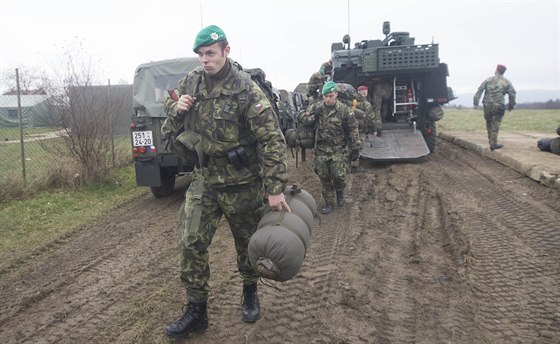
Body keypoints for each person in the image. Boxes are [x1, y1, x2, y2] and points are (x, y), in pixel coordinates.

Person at [161, 25, 290, 338]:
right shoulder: (191, 81)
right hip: (204, 179)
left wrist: (274, 188)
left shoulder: (246, 89)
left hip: (241, 181)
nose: (205, 60)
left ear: (226, 51)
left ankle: (250, 290)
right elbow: (169, 107)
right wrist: (176, 107)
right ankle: (196, 310)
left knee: (247, 244)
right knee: (191, 242)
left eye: (211, 53)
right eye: (201, 55)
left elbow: (271, 139)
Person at [300, 81, 360, 214]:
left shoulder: (344, 110)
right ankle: (328, 202)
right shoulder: (317, 107)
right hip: (321, 149)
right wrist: (314, 116)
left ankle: (339, 192)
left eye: (331, 96)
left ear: (336, 95)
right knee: (324, 176)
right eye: (325, 96)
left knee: (338, 175)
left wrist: (355, 147)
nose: (328, 99)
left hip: (338, 148)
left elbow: (353, 129)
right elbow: (301, 119)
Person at [473, 64, 516, 150]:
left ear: (496, 70)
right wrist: (511, 106)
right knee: (496, 124)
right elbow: (512, 94)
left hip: (487, 104)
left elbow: (479, 90)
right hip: (498, 105)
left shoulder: (488, 80)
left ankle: (491, 142)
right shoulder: (507, 82)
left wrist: (476, 102)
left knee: (489, 123)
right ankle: (493, 144)